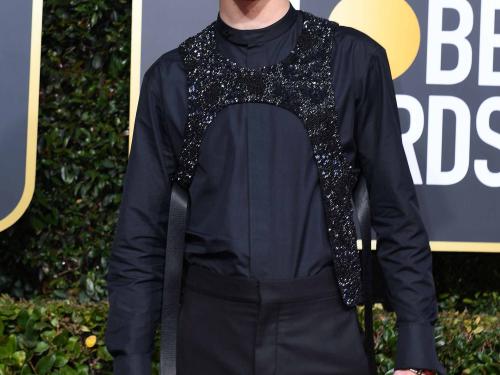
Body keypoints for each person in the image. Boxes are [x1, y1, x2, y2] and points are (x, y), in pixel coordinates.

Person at [104, 1, 447, 374]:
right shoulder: (171, 78)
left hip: (324, 333)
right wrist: (131, 359)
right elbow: (139, 236)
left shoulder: (354, 60)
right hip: (209, 337)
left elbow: (396, 212)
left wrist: (417, 353)